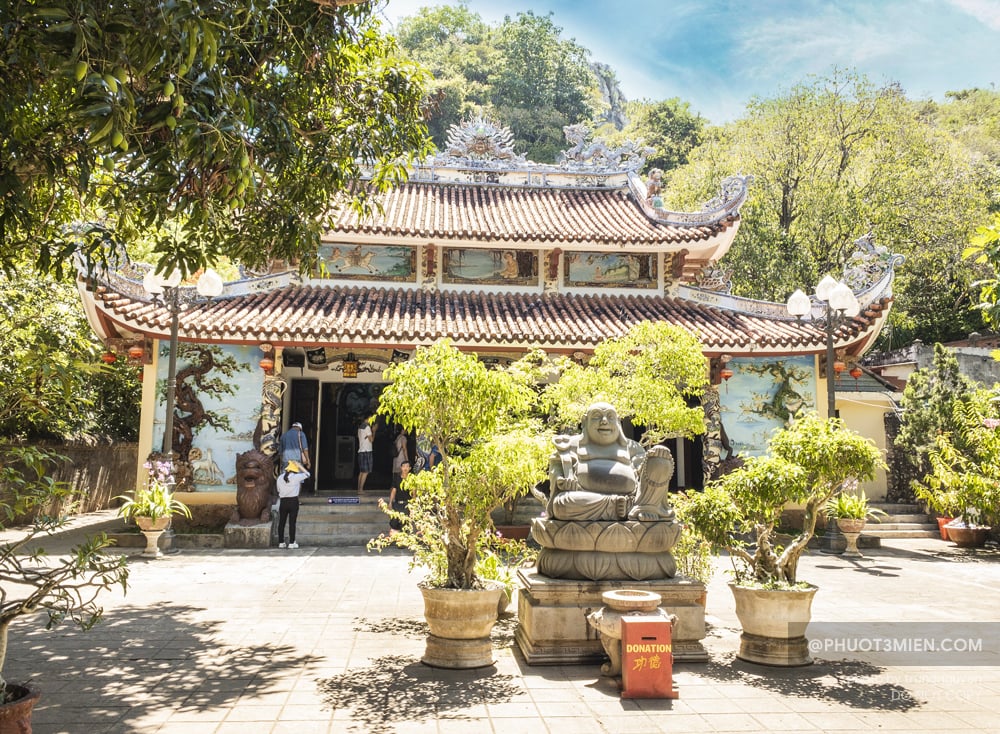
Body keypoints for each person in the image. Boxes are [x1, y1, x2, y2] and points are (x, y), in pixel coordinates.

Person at [547, 402, 675, 522]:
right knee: (562, 504)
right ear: (585, 421)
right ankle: (617, 507)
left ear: (618, 422)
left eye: (610, 417)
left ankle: (645, 508)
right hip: (585, 499)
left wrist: (655, 459)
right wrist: (562, 480)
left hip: (632, 499)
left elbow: (643, 470)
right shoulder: (572, 445)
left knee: (660, 461)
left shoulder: (631, 447)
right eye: (597, 416)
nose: (604, 421)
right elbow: (556, 467)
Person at [276, 460, 310, 549]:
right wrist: (299, 466)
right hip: (293, 501)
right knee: (292, 523)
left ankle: (281, 542)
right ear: (294, 470)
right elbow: (308, 474)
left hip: (283, 502)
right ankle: (292, 543)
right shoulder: (296, 477)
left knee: (281, 522)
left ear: (287, 469)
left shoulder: (279, 478)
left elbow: (278, 490)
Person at [381, 461, 411, 535]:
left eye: (407, 466)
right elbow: (394, 490)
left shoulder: (412, 478)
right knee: (394, 521)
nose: (405, 468)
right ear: (401, 468)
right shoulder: (397, 478)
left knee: (404, 523)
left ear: (410, 468)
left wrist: (413, 505)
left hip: (407, 504)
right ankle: (397, 539)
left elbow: (414, 493)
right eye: (403, 466)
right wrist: (390, 502)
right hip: (397, 503)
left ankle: (403, 542)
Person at [357, 414, 374, 492]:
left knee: (361, 471)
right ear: (369, 418)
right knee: (366, 471)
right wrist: (374, 431)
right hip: (366, 450)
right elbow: (371, 440)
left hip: (361, 450)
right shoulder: (367, 427)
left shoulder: (360, 427)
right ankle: (361, 489)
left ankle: (359, 489)